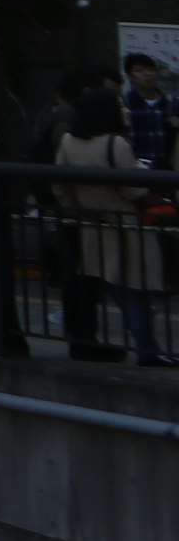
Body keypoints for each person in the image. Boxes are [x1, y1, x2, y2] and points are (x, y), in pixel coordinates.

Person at [53, 81, 170, 366]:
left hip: (91, 224)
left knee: (110, 283)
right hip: (126, 225)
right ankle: (148, 350)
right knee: (135, 288)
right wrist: (143, 173)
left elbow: (60, 186)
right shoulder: (115, 143)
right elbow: (134, 189)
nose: (125, 109)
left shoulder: (69, 141)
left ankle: (144, 349)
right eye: (119, 105)